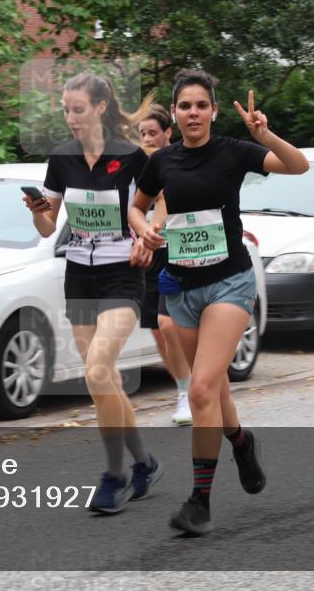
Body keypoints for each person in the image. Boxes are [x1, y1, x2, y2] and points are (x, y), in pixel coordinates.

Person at [129, 69, 308, 535]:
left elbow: (299, 166)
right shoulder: (162, 161)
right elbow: (136, 206)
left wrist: (264, 134)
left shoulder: (233, 151)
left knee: (201, 389)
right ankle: (241, 442)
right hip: (182, 288)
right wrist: (143, 230)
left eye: (201, 105)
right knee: (215, 388)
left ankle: (199, 501)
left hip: (229, 283)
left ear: (212, 111)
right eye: (185, 106)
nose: (194, 113)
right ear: (176, 114)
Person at [24, 72, 161, 514]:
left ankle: (114, 477)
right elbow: (48, 228)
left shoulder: (132, 157)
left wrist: (148, 235)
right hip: (80, 275)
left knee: (98, 371)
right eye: (66, 110)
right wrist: (38, 212)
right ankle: (144, 463)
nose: (71, 118)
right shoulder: (62, 158)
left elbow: (160, 202)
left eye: (78, 109)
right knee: (106, 380)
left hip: (123, 273)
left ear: (100, 108)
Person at [138, 105, 194, 426]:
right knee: (159, 332)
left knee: (170, 325)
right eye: (142, 134)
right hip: (149, 254)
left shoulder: (175, 161)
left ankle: (190, 391)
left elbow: (164, 201)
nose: (147, 139)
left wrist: (151, 234)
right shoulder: (138, 166)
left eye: (153, 133)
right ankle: (184, 388)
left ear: (167, 133)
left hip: (176, 249)